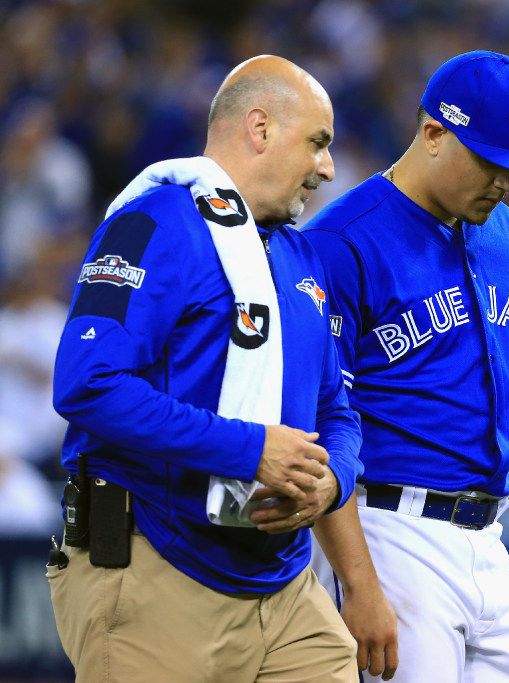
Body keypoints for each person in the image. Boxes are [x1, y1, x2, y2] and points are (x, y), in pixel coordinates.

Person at [49, 55, 364, 682]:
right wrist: (249, 450)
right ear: (260, 128)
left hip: (286, 587)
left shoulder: (302, 255)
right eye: (319, 143)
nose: (328, 168)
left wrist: (332, 482)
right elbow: (87, 383)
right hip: (157, 571)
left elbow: (336, 409)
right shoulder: (154, 223)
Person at [305, 50, 509, 682]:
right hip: (388, 532)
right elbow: (319, 423)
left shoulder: (508, 234)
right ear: (434, 132)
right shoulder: (341, 241)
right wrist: (358, 583)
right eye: (491, 161)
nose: (506, 181)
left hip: (490, 542)